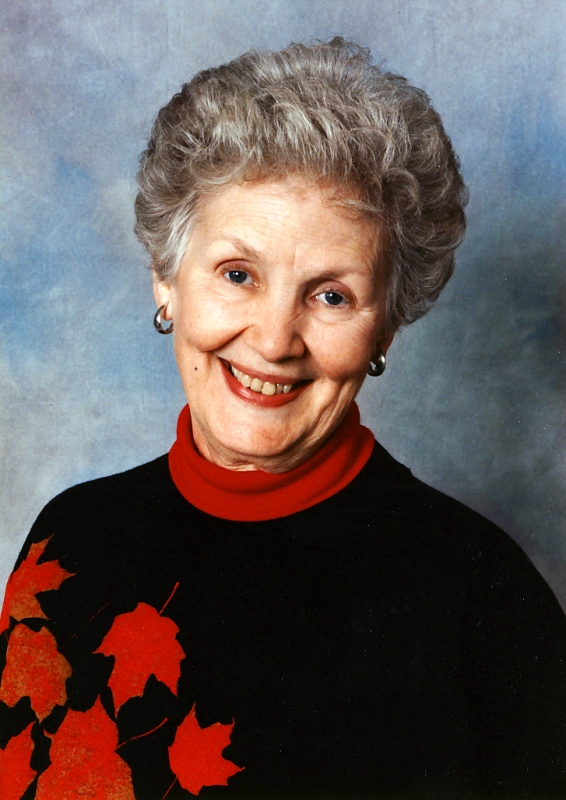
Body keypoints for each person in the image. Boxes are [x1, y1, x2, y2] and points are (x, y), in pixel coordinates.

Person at [1, 38, 566, 800]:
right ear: (166, 279)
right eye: (238, 274)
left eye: (331, 296)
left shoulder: (485, 597)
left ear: (385, 326)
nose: (273, 341)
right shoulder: (71, 544)